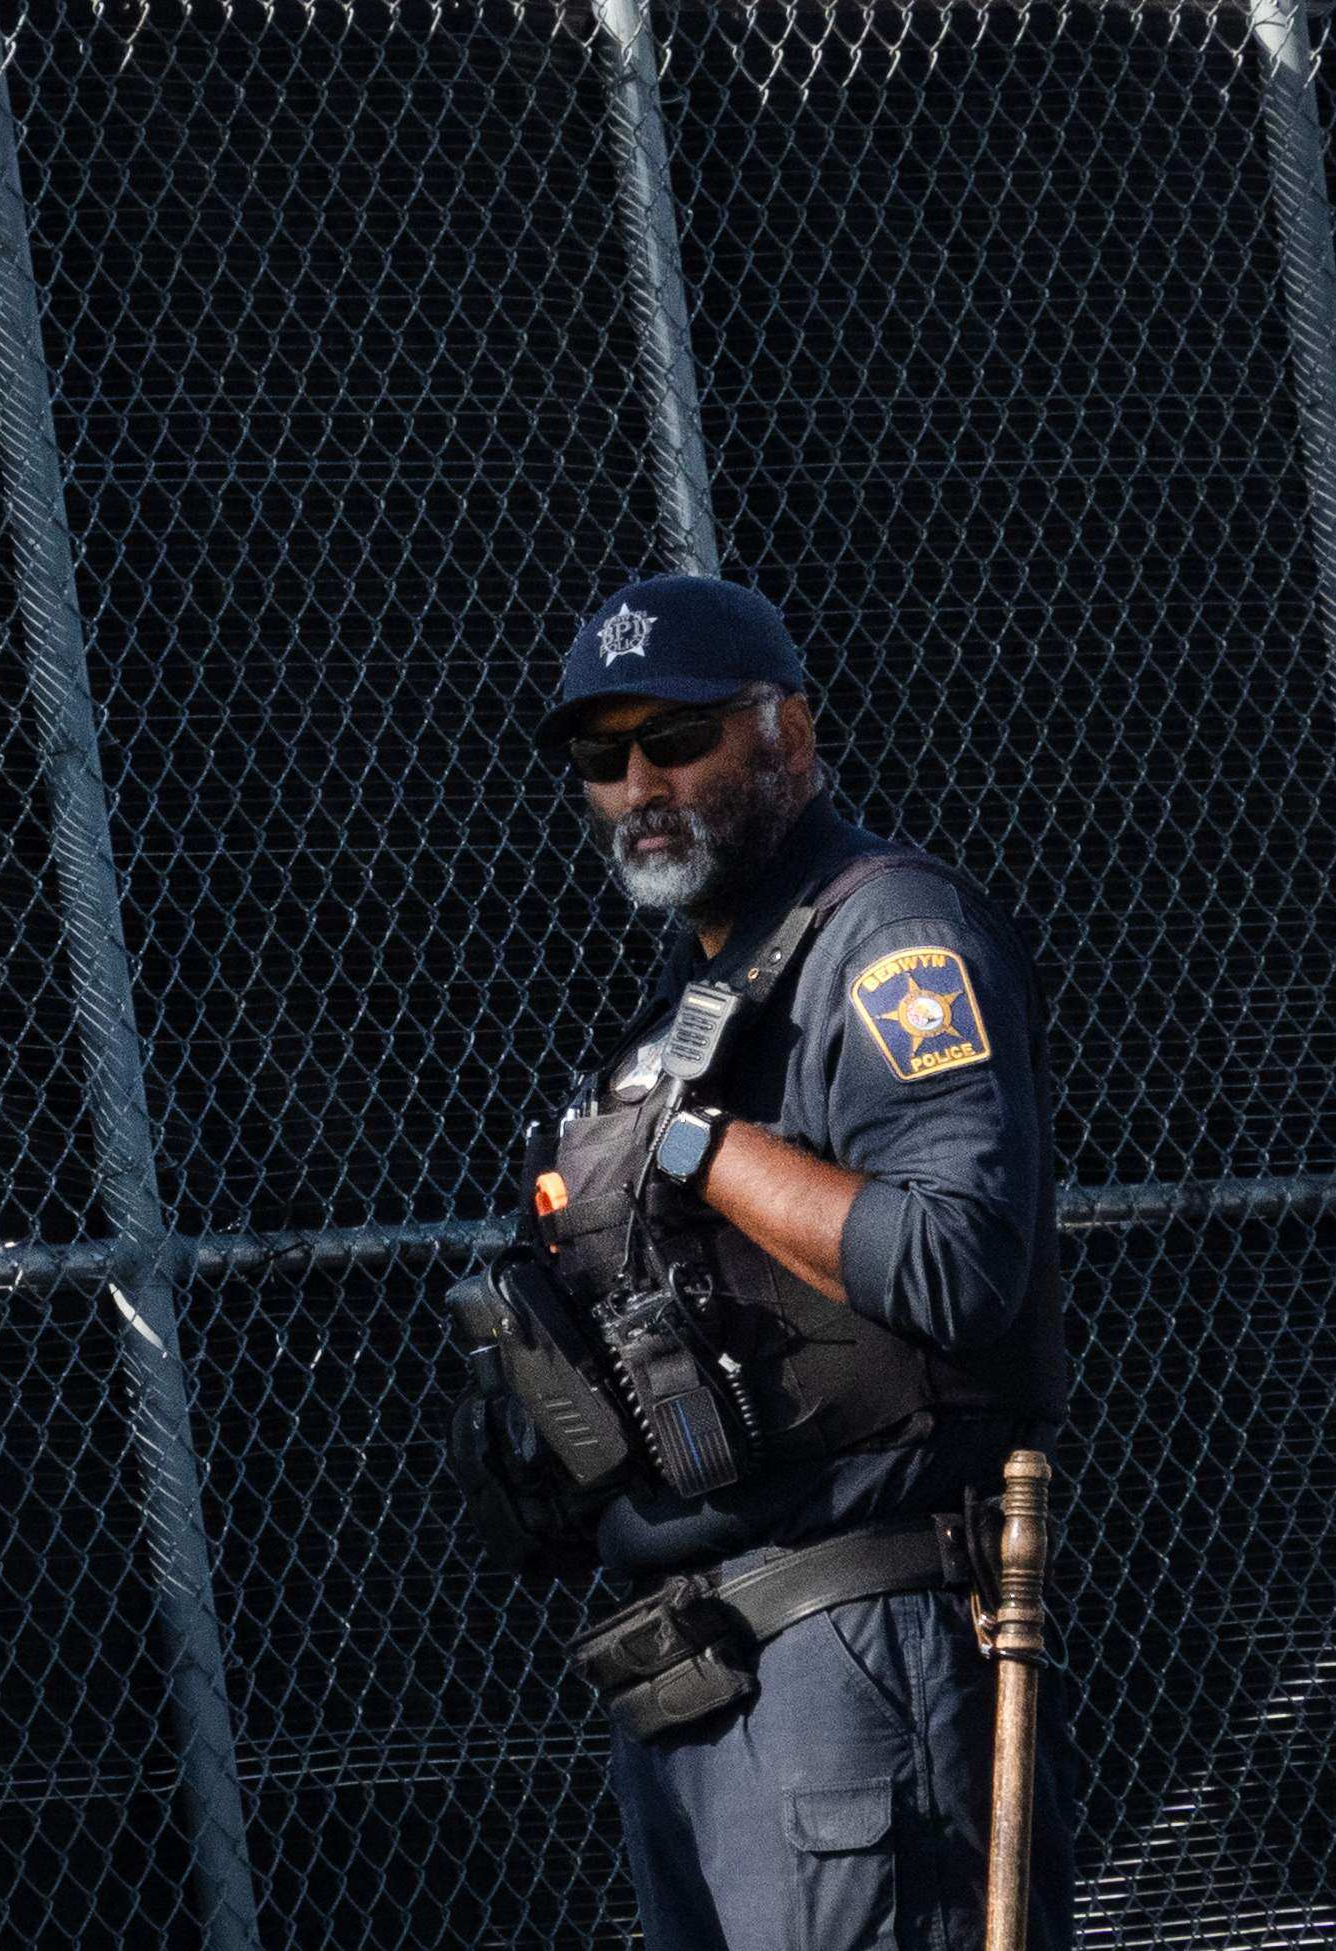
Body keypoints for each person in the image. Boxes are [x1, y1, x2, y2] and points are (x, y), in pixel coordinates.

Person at [446, 572, 1075, 1951]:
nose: (637, 787)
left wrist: (693, 1152)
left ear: (789, 728)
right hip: (703, 1675)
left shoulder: (891, 938)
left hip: (852, 1660)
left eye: (676, 741)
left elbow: (963, 1258)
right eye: (602, 760)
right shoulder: (710, 998)